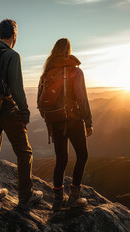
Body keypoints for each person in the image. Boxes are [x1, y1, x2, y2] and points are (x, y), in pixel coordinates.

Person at [0, 19, 43, 207]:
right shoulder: (12, 55)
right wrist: (24, 113)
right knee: (25, 153)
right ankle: (26, 196)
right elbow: (17, 88)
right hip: (6, 109)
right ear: (14, 34)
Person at [37, 38, 93, 211]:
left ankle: (57, 200)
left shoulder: (47, 72)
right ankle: (74, 197)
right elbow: (82, 98)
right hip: (74, 120)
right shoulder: (75, 71)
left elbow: (40, 103)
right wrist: (88, 122)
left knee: (61, 159)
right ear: (68, 50)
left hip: (55, 122)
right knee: (82, 156)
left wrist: (50, 120)